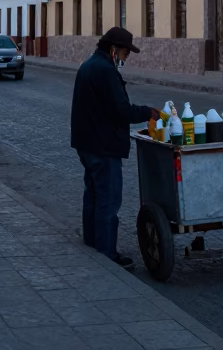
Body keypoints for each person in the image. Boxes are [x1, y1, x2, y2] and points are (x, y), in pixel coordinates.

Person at [70, 26, 159, 269]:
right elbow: (121, 110)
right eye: (125, 53)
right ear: (113, 50)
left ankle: (92, 242)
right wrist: (148, 112)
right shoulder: (105, 71)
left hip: (86, 143)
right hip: (103, 145)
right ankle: (107, 253)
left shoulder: (90, 65)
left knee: (93, 195)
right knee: (108, 200)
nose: (126, 58)